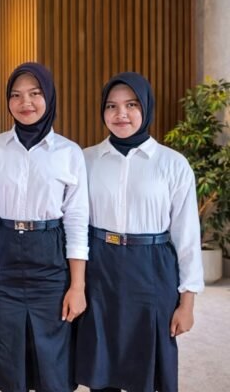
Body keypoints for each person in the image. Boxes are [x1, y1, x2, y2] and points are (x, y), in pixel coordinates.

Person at [75, 72, 204, 392]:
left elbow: (187, 237)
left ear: (146, 107)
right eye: (112, 106)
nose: (121, 114)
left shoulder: (173, 164)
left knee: (145, 368)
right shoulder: (86, 159)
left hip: (151, 268)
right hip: (100, 267)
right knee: (102, 362)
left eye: (131, 105)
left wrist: (187, 303)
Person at [0, 62, 89, 391]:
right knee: (8, 357)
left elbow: (76, 222)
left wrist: (77, 286)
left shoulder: (69, 153)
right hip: (3, 257)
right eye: (16, 95)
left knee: (53, 362)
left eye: (34, 93)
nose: (25, 102)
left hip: (49, 258)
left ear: (50, 97)